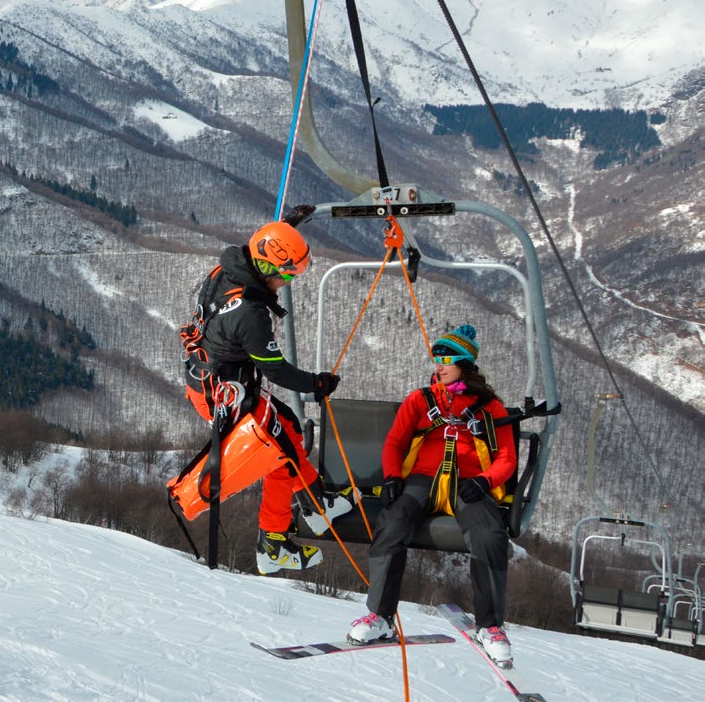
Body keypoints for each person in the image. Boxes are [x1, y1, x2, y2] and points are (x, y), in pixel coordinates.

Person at [183, 219, 354, 575]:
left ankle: (315, 504)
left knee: (289, 428)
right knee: (279, 453)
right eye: (287, 276)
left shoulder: (228, 268)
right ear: (265, 268)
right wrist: (316, 384)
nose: (287, 283)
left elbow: (265, 246)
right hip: (224, 396)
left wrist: (287, 226)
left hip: (215, 383)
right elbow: (277, 371)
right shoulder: (250, 314)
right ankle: (274, 544)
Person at [347, 323, 517, 665]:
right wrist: (394, 476)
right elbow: (395, 441)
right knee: (392, 526)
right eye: (435, 359)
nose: (438, 366)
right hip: (423, 478)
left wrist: (485, 481)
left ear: (465, 364)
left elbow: (507, 458)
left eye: (446, 360)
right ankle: (380, 616)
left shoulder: (490, 407)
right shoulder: (421, 400)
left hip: (467, 482)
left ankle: (490, 626)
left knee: (489, 535)